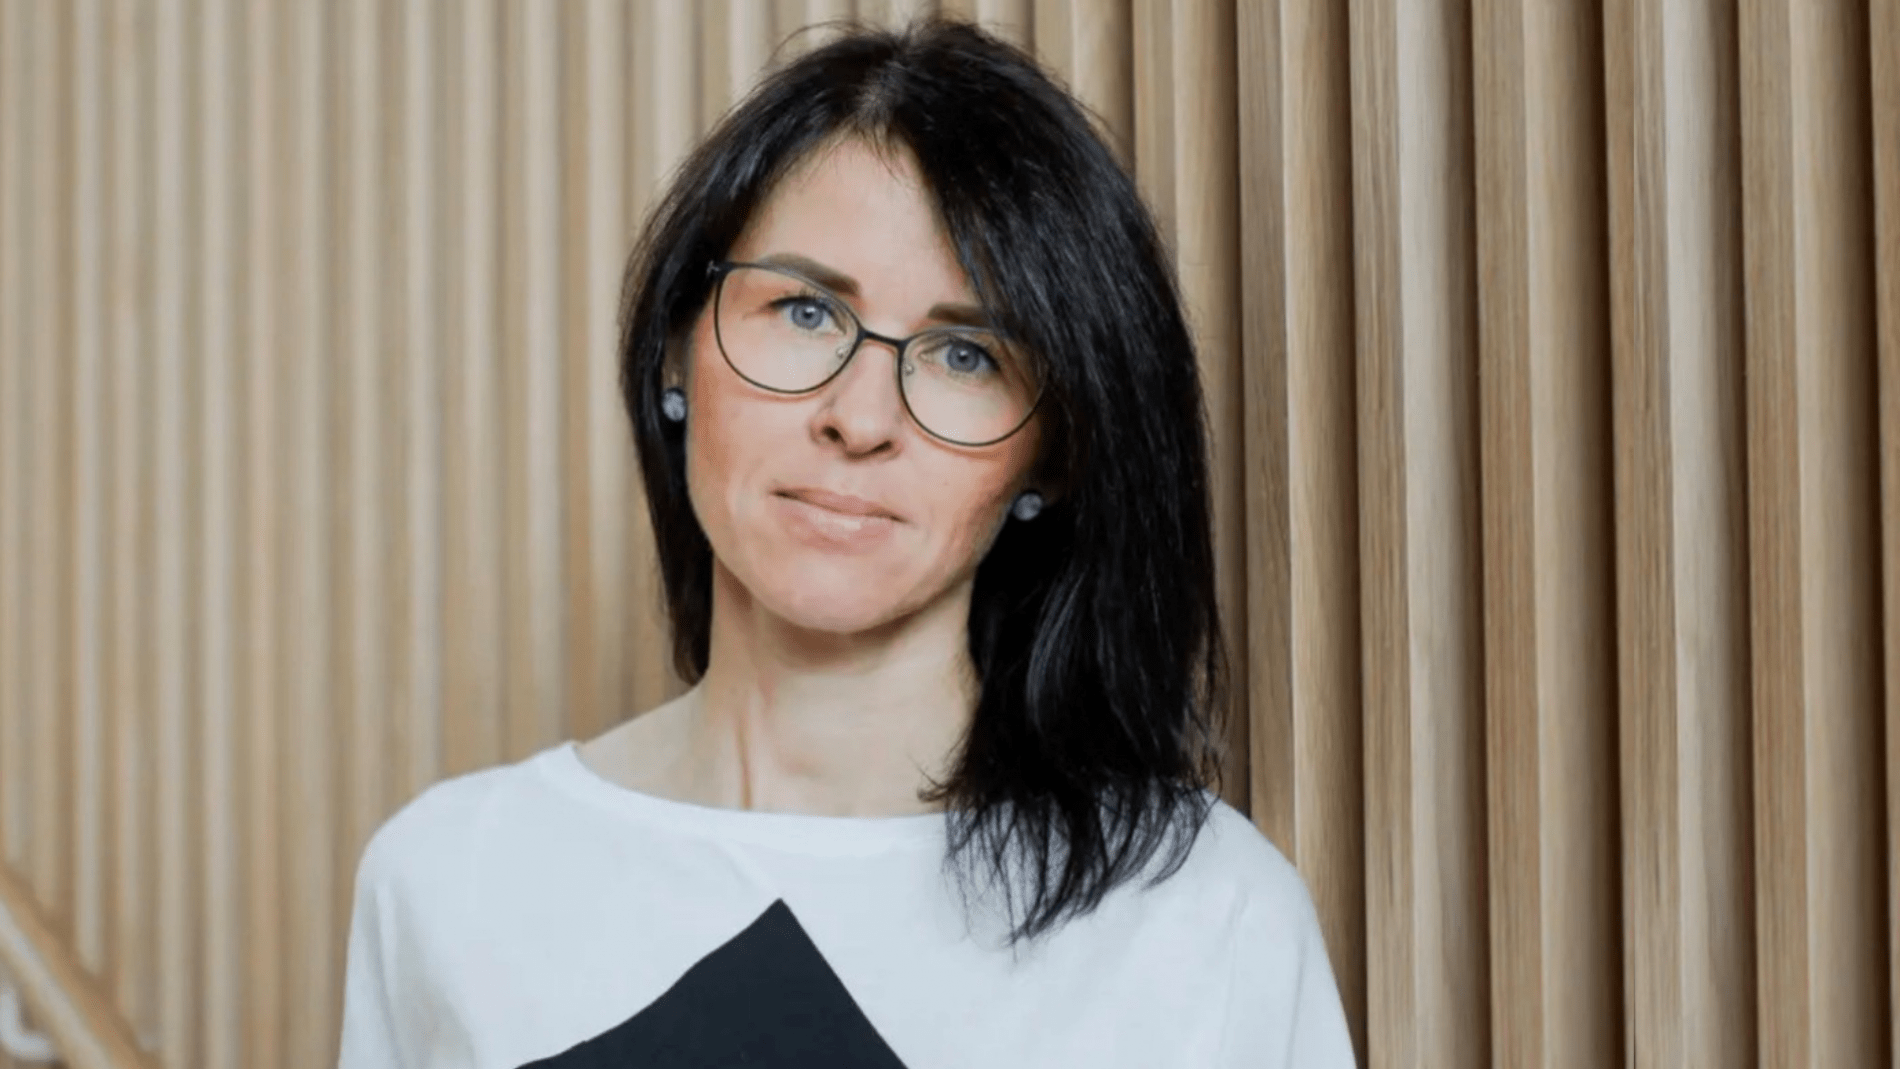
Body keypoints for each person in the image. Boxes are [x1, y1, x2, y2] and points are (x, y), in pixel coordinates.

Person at [338, 17, 1354, 1069]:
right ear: (679, 348)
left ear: (1051, 456)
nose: (860, 418)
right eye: (806, 310)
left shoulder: (1201, 915)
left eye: (966, 354)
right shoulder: (451, 881)